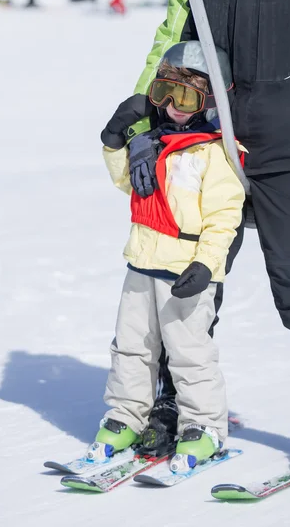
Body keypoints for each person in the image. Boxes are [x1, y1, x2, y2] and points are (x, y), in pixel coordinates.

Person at [103, 0, 290, 467]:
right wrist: (143, 131)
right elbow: (166, 56)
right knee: (184, 278)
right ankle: (177, 401)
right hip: (203, 149)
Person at [89, 41, 245, 472]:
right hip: (141, 263)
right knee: (132, 348)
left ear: (210, 101)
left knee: (189, 352)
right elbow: (132, 186)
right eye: (164, 93)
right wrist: (116, 142)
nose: (174, 106)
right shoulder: (155, 143)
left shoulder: (213, 154)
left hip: (185, 272)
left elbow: (223, 218)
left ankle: (204, 425)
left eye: (187, 97)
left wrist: (205, 265)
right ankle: (126, 414)